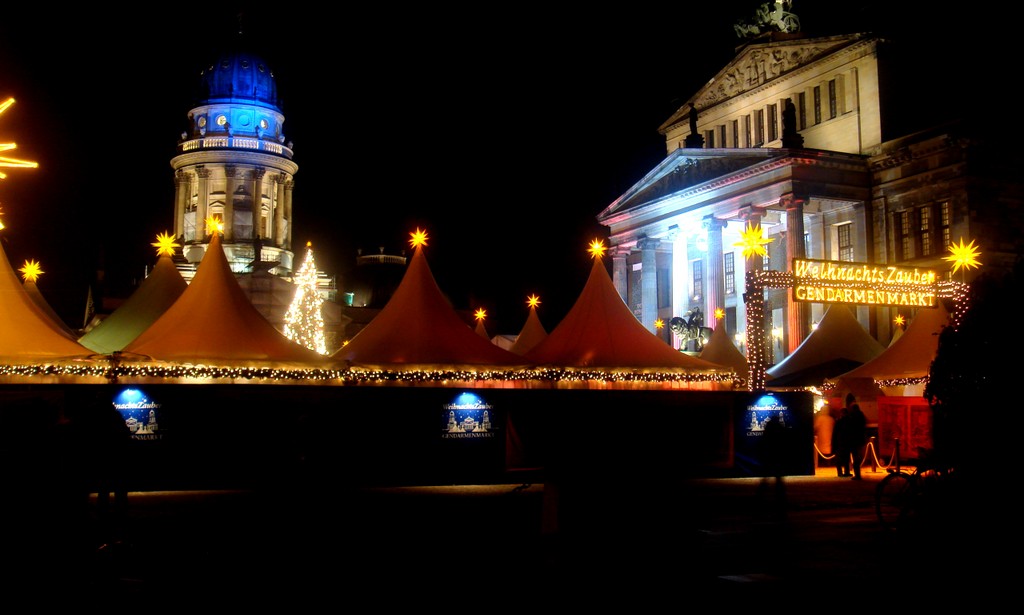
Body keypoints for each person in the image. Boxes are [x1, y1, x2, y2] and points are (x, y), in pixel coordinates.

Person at [844, 393, 868, 480]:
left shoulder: (851, 415)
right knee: (858, 456)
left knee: (855, 456)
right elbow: (864, 424)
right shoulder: (861, 414)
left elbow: (848, 426)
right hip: (860, 438)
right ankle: (858, 474)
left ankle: (857, 474)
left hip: (853, 439)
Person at [832, 405, 851, 477]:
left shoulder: (838, 422)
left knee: (839, 459)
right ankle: (847, 472)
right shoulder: (849, 421)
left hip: (839, 442)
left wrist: (834, 443)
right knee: (846, 458)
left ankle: (840, 472)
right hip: (847, 442)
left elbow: (835, 433)